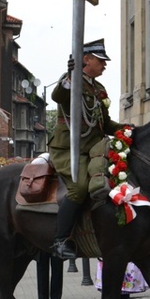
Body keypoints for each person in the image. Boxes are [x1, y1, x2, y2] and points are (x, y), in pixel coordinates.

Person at [48, 38, 124, 260]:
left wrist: (128, 129)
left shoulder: (98, 88)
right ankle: (60, 241)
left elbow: (106, 124)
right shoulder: (70, 82)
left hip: (94, 147)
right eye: (101, 60)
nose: (105, 65)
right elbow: (58, 96)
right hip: (69, 148)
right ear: (86, 60)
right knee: (79, 187)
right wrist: (70, 77)